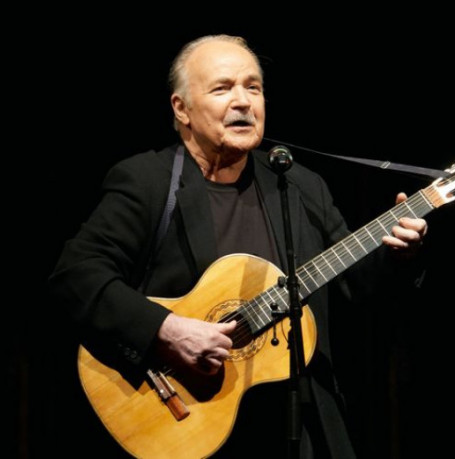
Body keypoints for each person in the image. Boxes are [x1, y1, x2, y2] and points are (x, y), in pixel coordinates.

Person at [49, 34, 427, 458]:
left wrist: (398, 255)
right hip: (189, 418)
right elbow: (76, 275)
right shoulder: (148, 182)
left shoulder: (299, 185)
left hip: (298, 424)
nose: (244, 102)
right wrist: (167, 330)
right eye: (222, 88)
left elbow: (357, 288)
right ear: (181, 109)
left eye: (253, 87)